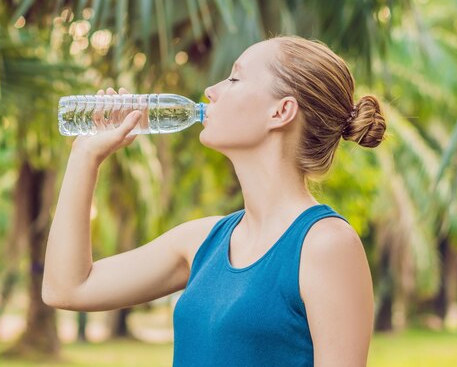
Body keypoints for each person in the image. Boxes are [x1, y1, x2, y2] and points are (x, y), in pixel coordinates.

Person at [42, 35, 385, 367]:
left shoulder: (326, 246)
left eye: (234, 78)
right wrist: (85, 157)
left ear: (281, 112)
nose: (211, 91)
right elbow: (67, 288)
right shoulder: (201, 242)